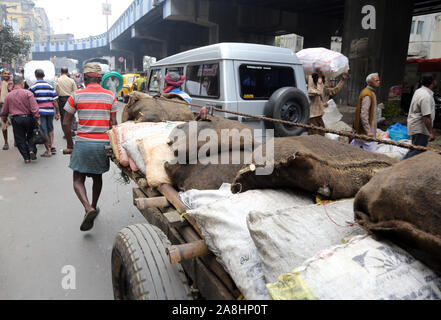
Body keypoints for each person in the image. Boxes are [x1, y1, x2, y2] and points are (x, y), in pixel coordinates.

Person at [62, 63, 118, 232]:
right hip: (102, 144)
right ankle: (94, 204)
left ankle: (88, 208)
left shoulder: (76, 95)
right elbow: (114, 124)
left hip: (83, 142)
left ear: (84, 79)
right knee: (97, 177)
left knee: (78, 179)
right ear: (100, 79)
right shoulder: (111, 97)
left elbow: (66, 122)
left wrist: (70, 144)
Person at [1, 76, 40, 163]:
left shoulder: (8, 95)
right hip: (29, 118)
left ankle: (26, 158)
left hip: (16, 119)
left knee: (20, 139)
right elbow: (34, 108)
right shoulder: (28, 93)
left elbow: (4, 110)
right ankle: (31, 150)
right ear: (22, 83)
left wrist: (4, 118)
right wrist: (37, 118)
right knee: (31, 135)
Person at [403, 75, 437, 160]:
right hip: (420, 128)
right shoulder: (426, 96)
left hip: (416, 126)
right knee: (417, 151)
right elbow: (426, 116)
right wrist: (431, 132)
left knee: (415, 150)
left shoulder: (419, 91)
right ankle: (398, 168)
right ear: (433, 82)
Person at [29, 69, 60, 157]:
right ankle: (52, 145)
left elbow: (31, 101)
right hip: (50, 110)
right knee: (50, 128)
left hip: (40, 111)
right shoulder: (50, 86)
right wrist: (57, 112)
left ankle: (48, 150)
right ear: (44, 75)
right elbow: (55, 101)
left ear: (35, 76)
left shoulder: (33, 87)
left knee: (43, 130)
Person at [307, 71, 348, 136]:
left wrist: (342, 80)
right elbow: (313, 92)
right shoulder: (310, 87)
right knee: (314, 136)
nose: (323, 83)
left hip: (319, 116)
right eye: (321, 80)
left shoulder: (322, 88)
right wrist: (319, 79)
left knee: (321, 135)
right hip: (311, 117)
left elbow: (334, 90)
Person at [351, 73, 381, 152]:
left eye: (378, 80)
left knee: (356, 144)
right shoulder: (367, 94)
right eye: (376, 80)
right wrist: (368, 130)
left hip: (362, 128)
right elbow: (364, 114)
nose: (379, 81)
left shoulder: (371, 92)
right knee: (371, 148)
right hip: (365, 130)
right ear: (370, 83)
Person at [56, 67, 77, 137]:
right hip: (70, 99)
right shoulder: (71, 80)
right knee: (71, 115)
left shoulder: (57, 80)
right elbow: (75, 92)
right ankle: (72, 129)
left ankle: (66, 133)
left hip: (61, 99)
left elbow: (55, 92)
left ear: (61, 72)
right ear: (67, 73)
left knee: (63, 116)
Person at [0, 69, 14, 150]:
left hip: (12, 107)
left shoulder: (11, 83)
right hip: (3, 106)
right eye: (5, 73)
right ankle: (6, 142)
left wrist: (9, 84)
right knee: (4, 126)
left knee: (15, 125)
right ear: (2, 74)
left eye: (8, 74)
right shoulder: (1, 83)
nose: (6, 75)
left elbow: (11, 90)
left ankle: (16, 141)